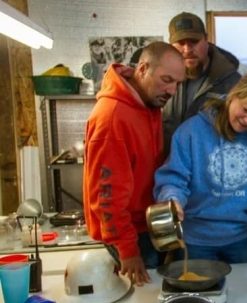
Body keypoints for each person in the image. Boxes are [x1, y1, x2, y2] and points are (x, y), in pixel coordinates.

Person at [153, 69, 247, 270]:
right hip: (194, 241)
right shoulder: (191, 132)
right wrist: (173, 200)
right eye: (246, 110)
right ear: (233, 95)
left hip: (241, 241)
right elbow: (174, 179)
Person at [83, 41, 185, 286]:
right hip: (129, 235)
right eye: (166, 79)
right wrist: (128, 250)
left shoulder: (148, 104)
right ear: (142, 69)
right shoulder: (112, 118)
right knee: (144, 296)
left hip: (147, 225)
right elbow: (106, 196)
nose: (172, 91)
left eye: (177, 83)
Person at [163, 12, 241, 157]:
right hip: (167, 170)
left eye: (194, 41)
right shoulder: (160, 79)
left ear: (206, 39)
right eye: (181, 43)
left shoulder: (232, 83)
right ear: (170, 45)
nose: (187, 49)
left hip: (210, 172)